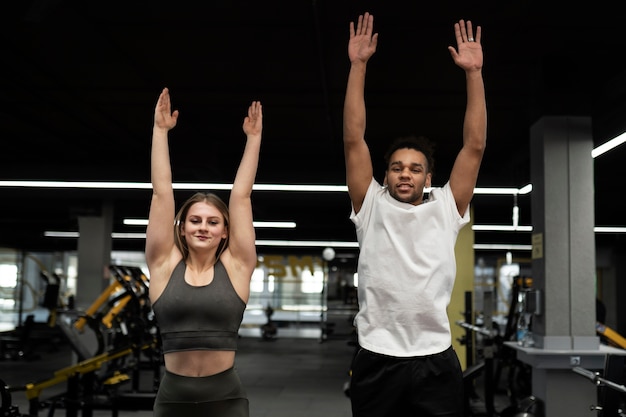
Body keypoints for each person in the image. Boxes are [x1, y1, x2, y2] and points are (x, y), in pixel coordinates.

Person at [343, 12, 486, 417]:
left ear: (429, 177)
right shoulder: (370, 204)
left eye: (415, 168)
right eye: (396, 167)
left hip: (434, 360)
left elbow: (473, 147)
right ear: (386, 174)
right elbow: (353, 139)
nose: (405, 173)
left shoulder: (446, 206)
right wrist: (358, 66)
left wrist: (473, 74)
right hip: (376, 357)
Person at [146, 87, 262, 417]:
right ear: (181, 226)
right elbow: (161, 194)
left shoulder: (238, 266)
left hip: (226, 400)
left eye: (213, 222)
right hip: (172, 399)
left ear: (225, 231)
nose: (203, 227)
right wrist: (160, 131)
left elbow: (241, 197)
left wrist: (253, 139)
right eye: (195, 220)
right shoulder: (163, 265)